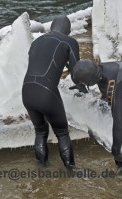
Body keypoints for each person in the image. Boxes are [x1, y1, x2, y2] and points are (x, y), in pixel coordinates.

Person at [22, 15, 87, 170]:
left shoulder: (36, 41)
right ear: (68, 29)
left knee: (40, 131)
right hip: (46, 92)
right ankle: (71, 170)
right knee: (62, 133)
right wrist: (82, 87)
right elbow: (76, 72)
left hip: (26, 91)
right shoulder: (69, 41)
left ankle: (42, 168)